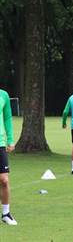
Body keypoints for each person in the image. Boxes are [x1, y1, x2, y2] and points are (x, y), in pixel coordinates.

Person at [0, 89, 17, 225]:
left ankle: (6, 213)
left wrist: (10, 139)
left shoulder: (3, 95)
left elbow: (7, 118)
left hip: (0, 143)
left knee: (4, 180)